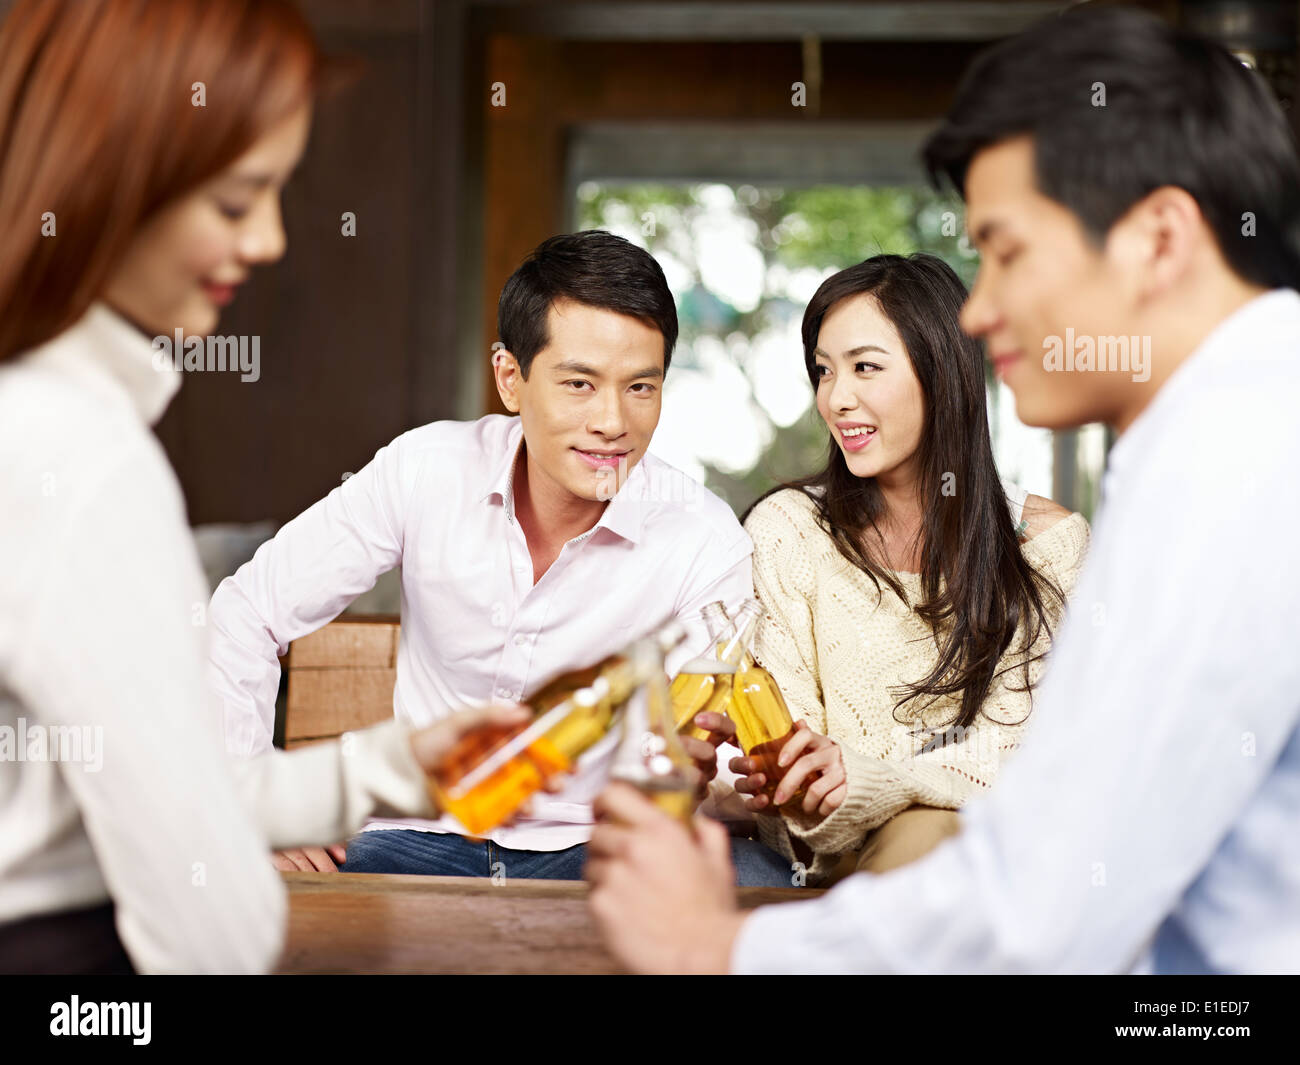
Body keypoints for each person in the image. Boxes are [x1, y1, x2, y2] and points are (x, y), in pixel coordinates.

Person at [585, 4, 1300, 974]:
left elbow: (1042, 901)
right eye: (823, 369)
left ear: (1158, 238)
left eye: (1005, 250)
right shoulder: (1217, 444)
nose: (984, 308)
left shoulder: (1231, 470)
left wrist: (717, 948)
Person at [0, 0, 531, 975]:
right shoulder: (81, 457)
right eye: (237, 202)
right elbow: (210, 926)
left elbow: (161, 785)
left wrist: (389, 766)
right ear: (107, 176)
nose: (271, 242)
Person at [207, 229, 793, 886]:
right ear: (510, 378)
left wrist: (695, 770)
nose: (613, 421)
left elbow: (703, 752)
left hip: (600, 846)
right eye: (579, 383)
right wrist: (256, 812)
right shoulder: (425, 469)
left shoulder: (702, 535)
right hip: (418, 838)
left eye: (641, 387)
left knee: (758, 876)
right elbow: (245, 611)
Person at [729, 253, 1087, 885]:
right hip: (827, 871)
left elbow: (1023, 753)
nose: (837, 399)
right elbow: (795, 773)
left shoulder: (1046, 545)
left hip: (995, 869)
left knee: (931, 826)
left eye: (866, 367)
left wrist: (874, 778)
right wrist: (807, 781)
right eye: (823, 371)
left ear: (942, 371)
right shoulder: (788, 531)